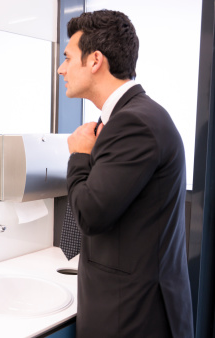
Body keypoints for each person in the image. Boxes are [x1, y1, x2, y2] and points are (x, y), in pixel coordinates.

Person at [57, 10, 194, 337]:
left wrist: (77, 155)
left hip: (133, 315)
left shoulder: (134, 123)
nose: (61, 69)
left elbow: (90, 214)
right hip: (125, 306)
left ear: (95, 61)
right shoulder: (125, 119)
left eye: (68, 58)